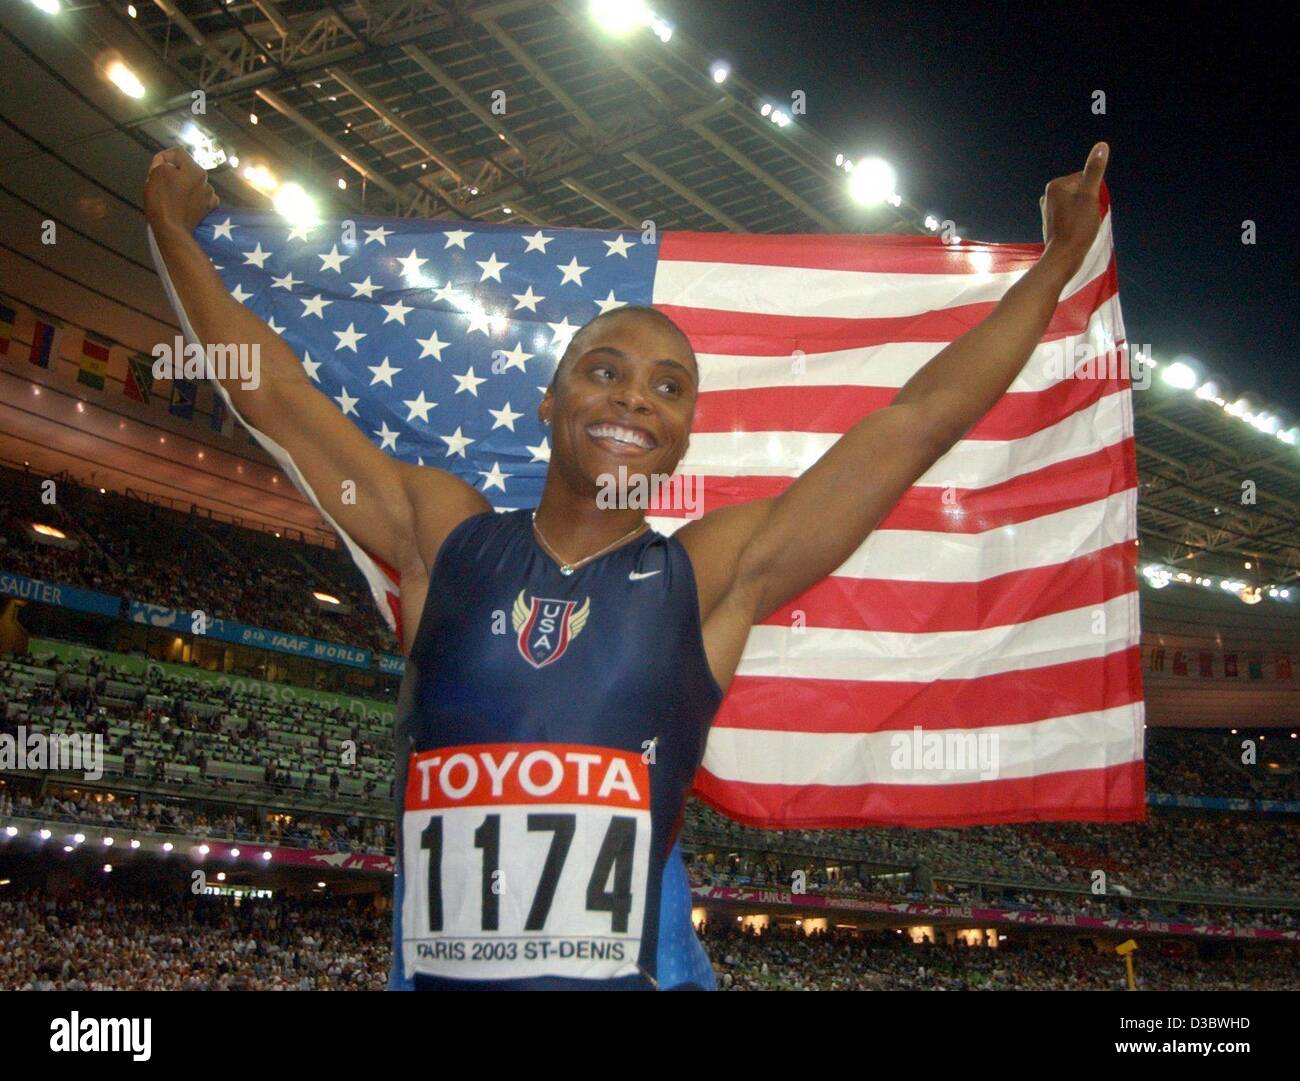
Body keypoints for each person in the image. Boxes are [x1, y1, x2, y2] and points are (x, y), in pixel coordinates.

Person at [143, 142, 1110, 990]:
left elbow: (914, 425)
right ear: (548, 401)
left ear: (684, 436)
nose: (633, 398)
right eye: (603, 368)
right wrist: (173, 230)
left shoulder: (712, 574)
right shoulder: (445, 536)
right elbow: (275, 395)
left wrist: (1061, 259)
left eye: (668, 386)